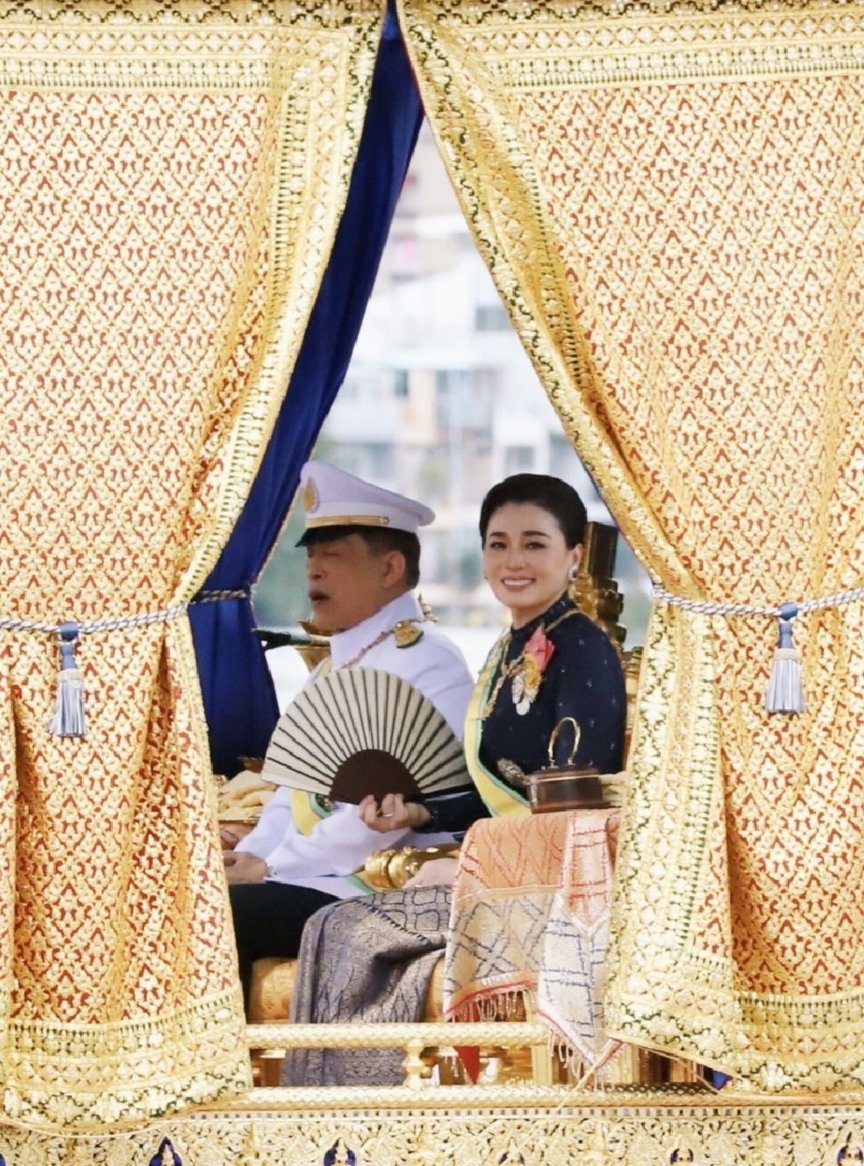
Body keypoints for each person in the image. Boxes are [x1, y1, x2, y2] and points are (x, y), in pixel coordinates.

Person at [284, 472, 626, 1085]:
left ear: (573, 555)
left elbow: (570, 803)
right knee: (331, 925)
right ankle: (330, 1118)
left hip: (552, 884)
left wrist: (471, 863)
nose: (513, 561)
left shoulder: (582, 649)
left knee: (348, 929)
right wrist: (418, 816)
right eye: (498, 544)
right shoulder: (510, 649)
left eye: (534, 544)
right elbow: (502, 791)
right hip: (503, 868)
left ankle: (363, 1119)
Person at [226, 460, 478, 1008]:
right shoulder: (333, 666)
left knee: (221, 919)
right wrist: (248, 855)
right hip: (305, 875)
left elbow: (382, 817)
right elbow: (291, 792)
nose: (314, 571)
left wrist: (272, 868)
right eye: (311, 556)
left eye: (333, 556)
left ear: (389, 568)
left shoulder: (429, 661)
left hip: (365, 887)